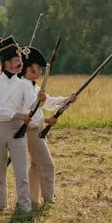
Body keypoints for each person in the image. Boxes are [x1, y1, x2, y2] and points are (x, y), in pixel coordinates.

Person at [17, 46, 76, 209]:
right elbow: (28, 108)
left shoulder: (34, 87)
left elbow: (48, 102)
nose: (40, 71)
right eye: (37, 68)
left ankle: (33, 200)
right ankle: (48, 200)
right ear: (29, 68)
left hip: (37, 130)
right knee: (47, 165)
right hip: (30, 132)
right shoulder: (21, 86)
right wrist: (40, 101)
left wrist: (67, 100)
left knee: (36, 166)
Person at [0, 36, 37, 214]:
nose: (20, 63)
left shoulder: (24, 85)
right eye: (16, 60)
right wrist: (17, 114)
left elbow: (31, 104)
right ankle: (0, 205)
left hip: (17, 129)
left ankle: (24, 206)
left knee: (21, 173)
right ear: (6, 63)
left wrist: (40, 99)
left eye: (20, 60)